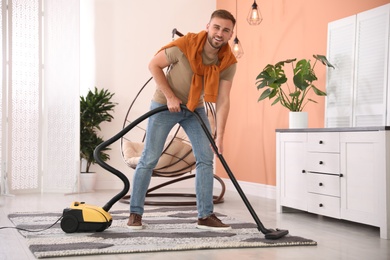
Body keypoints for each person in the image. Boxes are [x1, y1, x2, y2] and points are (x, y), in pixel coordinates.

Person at [127, 9, 237, 231]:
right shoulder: (184, 46)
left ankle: (205, 216)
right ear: (208, 26)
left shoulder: (228, 61)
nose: (220, 33)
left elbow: (223, 100)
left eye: (226, 30)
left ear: (230, 34)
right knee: (149, 158)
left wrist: (220, 136)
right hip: (164, 105)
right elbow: (153, 65)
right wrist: (170, 96)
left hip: (194, 109)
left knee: (206, 158)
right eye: (216, 27)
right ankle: (135, 214)